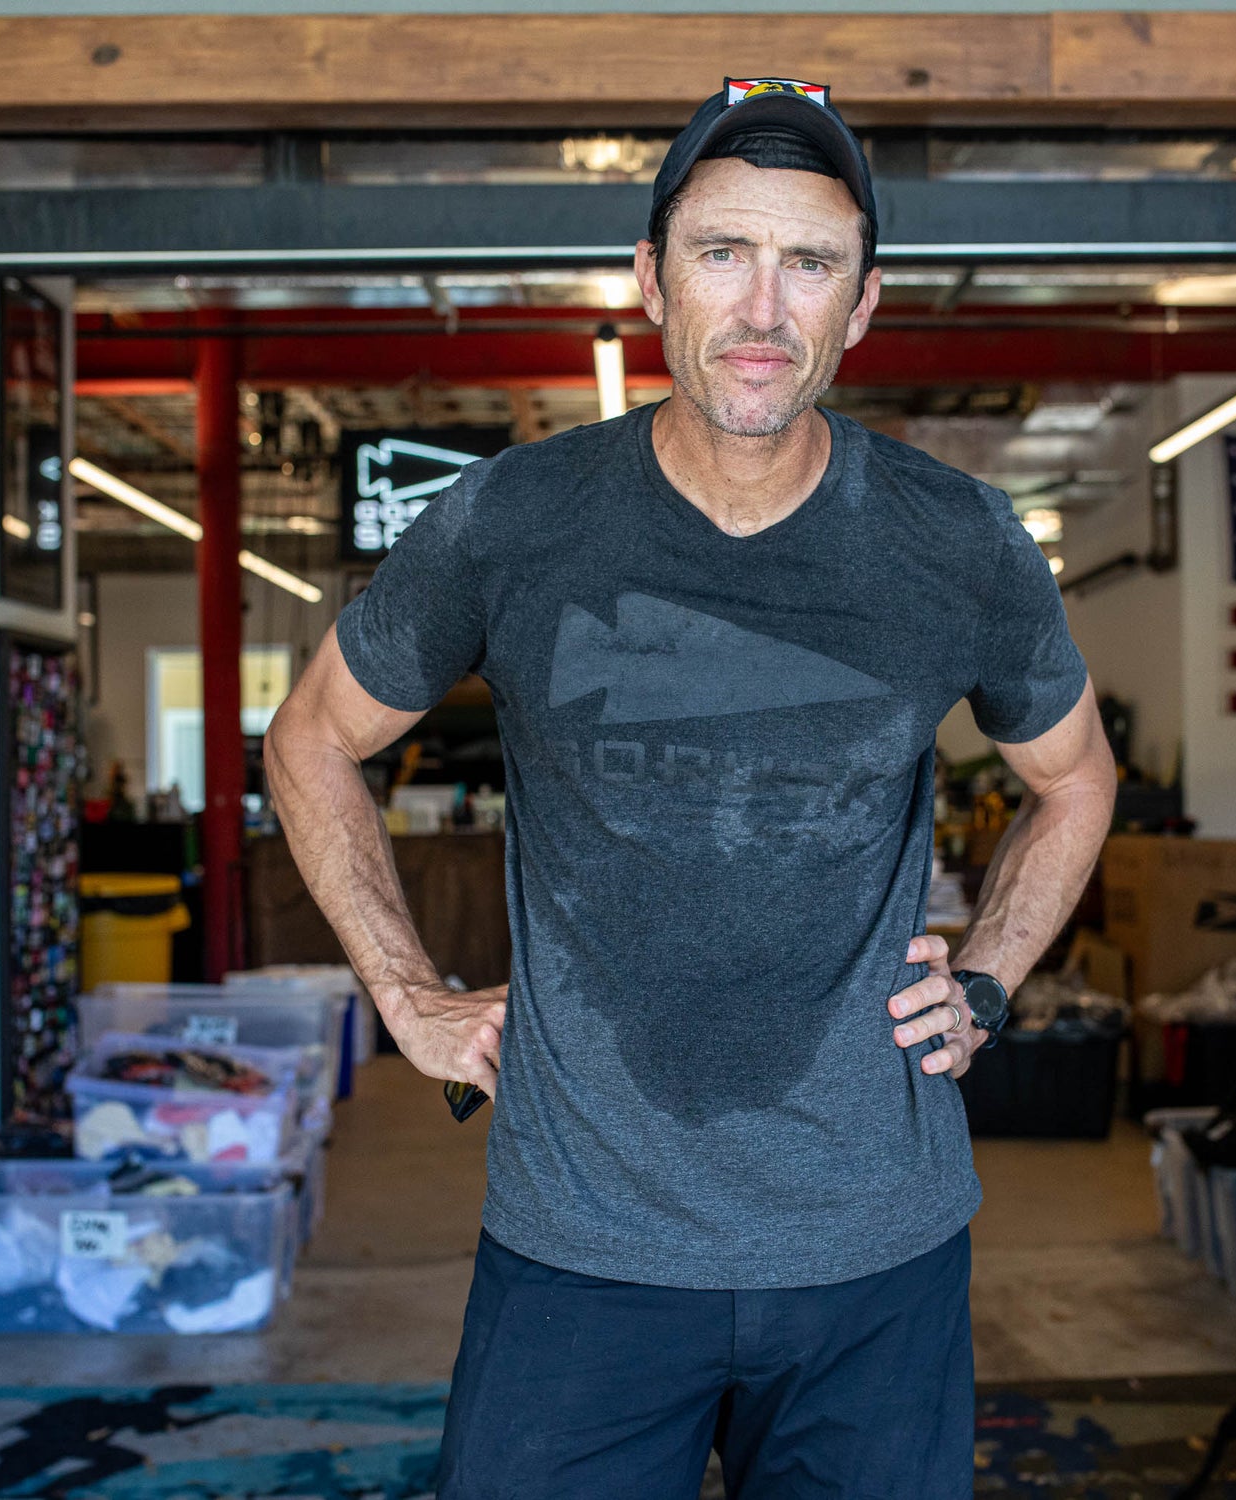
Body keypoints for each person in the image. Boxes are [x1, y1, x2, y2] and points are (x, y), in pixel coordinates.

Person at [265, 74, 1116, 1500]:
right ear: (651, 277)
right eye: (724, 253)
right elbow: (310, 738)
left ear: (865, 304)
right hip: (580, 1248)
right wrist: (402, 995)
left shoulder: (959, 541)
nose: (766, 309)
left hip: (874, 1248)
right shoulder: (513, 521)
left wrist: (987, 980)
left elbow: (1076, 778)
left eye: (812, 263)